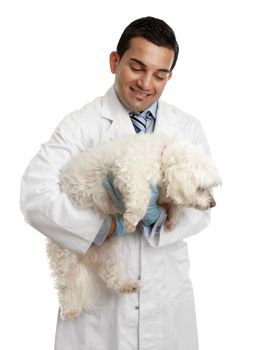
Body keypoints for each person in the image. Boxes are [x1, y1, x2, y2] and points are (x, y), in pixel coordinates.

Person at [20, 16, 211, 350]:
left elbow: (202, 210)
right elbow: (35, 197)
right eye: (137, 67)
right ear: (114, 61)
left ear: (169, 77)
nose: (146, 82)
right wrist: (105, 228)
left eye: (160, 74)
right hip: (101, 315)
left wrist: (159, 219)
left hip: (166, 303)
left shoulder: (187, 129)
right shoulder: (81, 125)